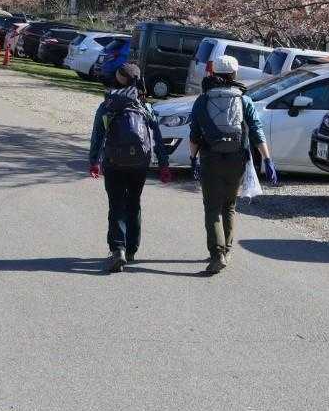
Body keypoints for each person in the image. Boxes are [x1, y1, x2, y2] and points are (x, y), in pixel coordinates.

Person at [189, 54, 275, 276]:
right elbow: (256, 130)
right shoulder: (244, 100)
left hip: (210, 158)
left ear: (213, 73)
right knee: (229, 205)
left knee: (212, 207)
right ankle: (226, 250)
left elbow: (195, 134)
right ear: (234, 74)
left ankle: (217, 253)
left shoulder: (203, 100)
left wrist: (193, 159)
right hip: (237, 158)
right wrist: (267, 159)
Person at [87, 62, 172, 272]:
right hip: (140, 163)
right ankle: (132, 249)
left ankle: (118, 250)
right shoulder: (144, 107)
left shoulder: (108, 105)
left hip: (113, 161)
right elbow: (157, 137)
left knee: (116, 203)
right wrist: (163, 164)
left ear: (117, 80)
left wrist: (94, 161)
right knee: (134, 202)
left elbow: (98, 135)